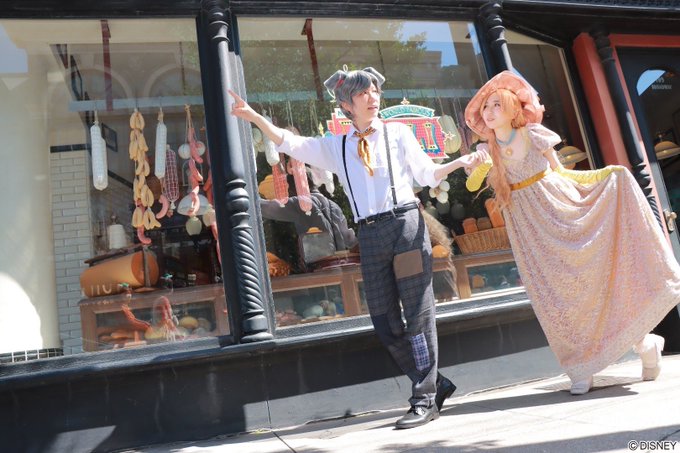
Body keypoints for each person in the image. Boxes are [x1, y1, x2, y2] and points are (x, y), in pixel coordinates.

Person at [230, 66, 486, 428]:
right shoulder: (337, 146)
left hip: (406, 227)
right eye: (363, 93)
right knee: (383, 319)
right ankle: (434, 381)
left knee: (417, 313)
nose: (372, 97)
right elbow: (289, 142)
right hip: (369, 235)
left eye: (375, 91)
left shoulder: (398, 133)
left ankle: (424, 397)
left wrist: (458, 162)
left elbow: (426, 174)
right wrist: (255, 117)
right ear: (347, 105)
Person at [463, 70, 680, 395]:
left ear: (512, 108)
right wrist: (477, 164)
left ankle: (644, 342)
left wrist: (605, 175)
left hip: (561, 212)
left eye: (497, 104)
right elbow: (471, 186)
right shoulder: (488, 149)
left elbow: (563, 173)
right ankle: (581, 365)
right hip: (529, 230)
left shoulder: (533, 134)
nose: (489, 111)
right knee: (556, 296)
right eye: (485, 107)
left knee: (594, 281)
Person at [259, 169, 358, 266]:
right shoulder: (334, 206)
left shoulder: (302, 203)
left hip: (319, 266)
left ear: (296, 185)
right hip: (340, 266)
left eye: (288, 188)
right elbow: (350, 240)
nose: (288, 193)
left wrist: (252, 196)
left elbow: (267, 209)